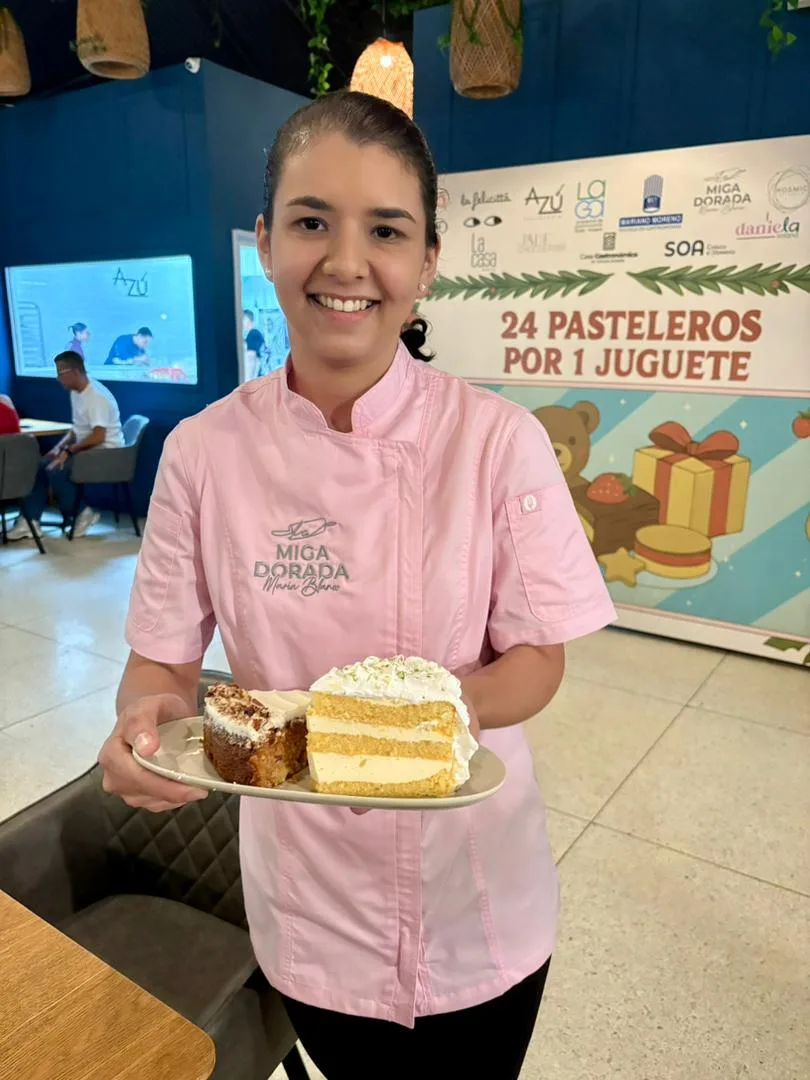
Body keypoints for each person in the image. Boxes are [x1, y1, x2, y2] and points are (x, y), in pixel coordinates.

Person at [97, 92, 615, 1079]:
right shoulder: (205, 452)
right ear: (263, 242)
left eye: (385, 230)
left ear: (426, 260)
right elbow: (160, 662)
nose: (346, 262)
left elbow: (538, 660)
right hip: (309, 903)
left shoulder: (497, 441)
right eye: (310, 222)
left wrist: (411, 720)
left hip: (481, 904)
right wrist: (146, 729)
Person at [7, 351, 124, 541]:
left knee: (56, 469)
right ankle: (30, 522)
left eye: (61, 372)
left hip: (107, 454)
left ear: (76, 372)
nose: (58, 377)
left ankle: (83, 513)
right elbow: (76, 430)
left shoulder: (96, 397)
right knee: (42, 464)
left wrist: (68, 452)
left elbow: (98, 436)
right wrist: (57, 449)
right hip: (89, 449)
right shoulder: (76, 393)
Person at [242, 309, 266, 380]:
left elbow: (251, 357)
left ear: (247, 319)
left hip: (254, 376)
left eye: (242, 319)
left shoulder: (253, 334)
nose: (241, 323)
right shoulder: (255, 333)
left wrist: (248, 380)